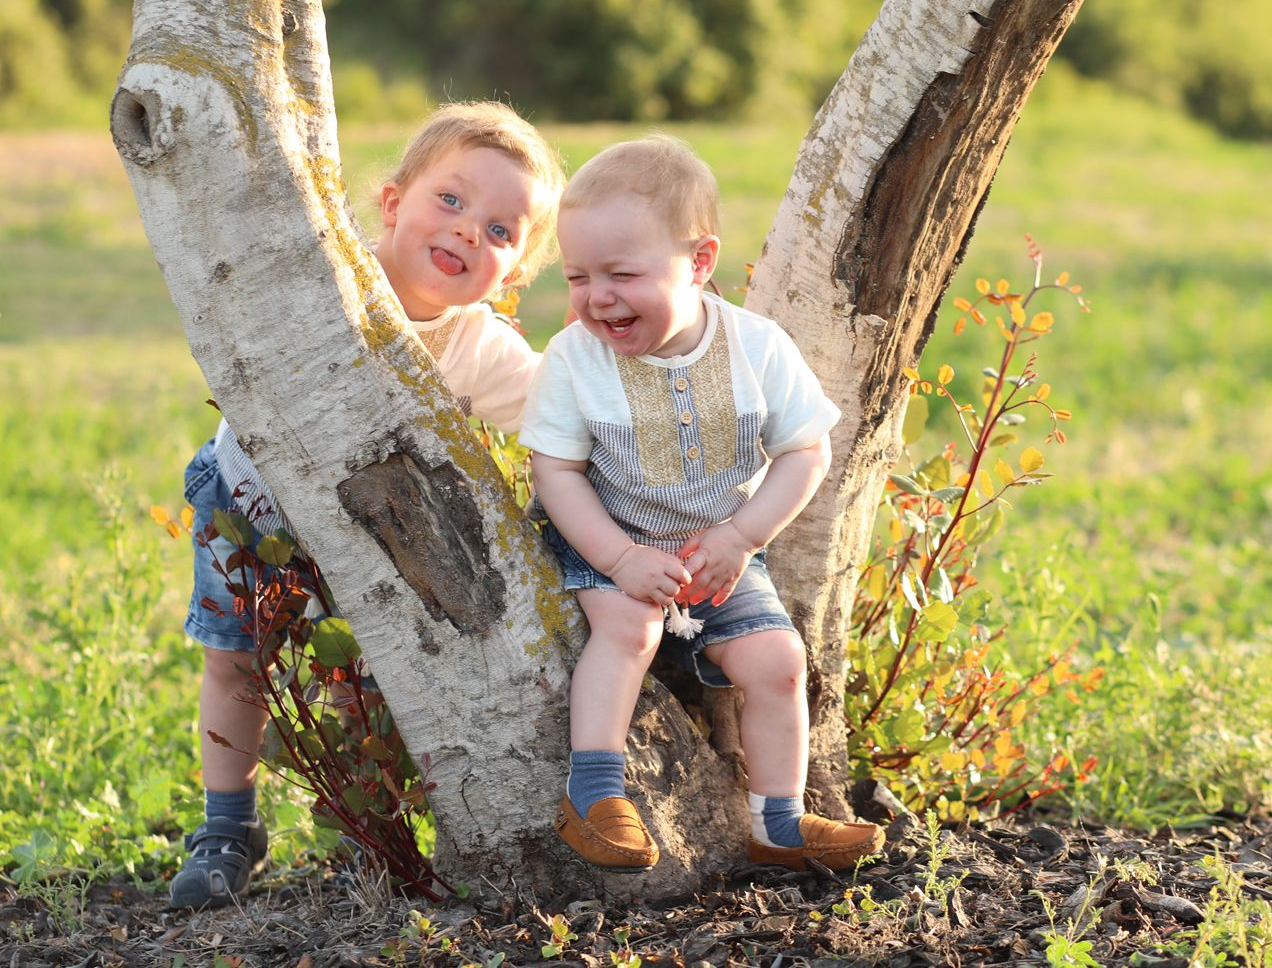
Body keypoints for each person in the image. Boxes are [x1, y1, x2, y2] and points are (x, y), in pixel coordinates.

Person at [171, 101, 566, 908]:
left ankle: (369, 832)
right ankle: (227, 823)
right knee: (235, 662)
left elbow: (560, 414)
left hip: (369, 547)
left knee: (362, 680)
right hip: (246, 504)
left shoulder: (479, 347)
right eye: (450, 199)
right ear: (391, 203)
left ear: (514, 274)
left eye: (500, 230)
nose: (467, 230)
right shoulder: (326, 274)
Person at [520, 136, 884, 873]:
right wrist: (621, 557)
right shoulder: (573, 359)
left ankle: (778, 822)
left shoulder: (757, 347)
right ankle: (595, 796)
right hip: (605, 533)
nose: (597, 297)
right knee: (630, 628)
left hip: (717, 550)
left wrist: (742, 536)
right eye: (579, 276)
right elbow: (554, 472)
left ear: (699, 261)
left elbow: (806, 451)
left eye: (622, 274)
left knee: (778, 661)